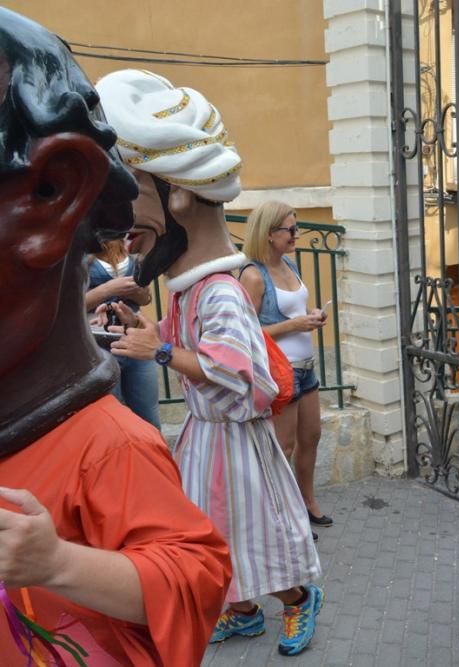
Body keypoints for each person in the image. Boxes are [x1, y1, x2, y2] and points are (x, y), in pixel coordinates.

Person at [0, 10, 231, 665]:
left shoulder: (107, 446)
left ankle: (292, 599)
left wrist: (55, 561)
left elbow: (196, 572)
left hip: (221, 439)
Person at [96, 69, 323, 656]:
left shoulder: (220, 292)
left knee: (255, 537)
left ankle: (298, 600)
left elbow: (243, 379)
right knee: (213, 539)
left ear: (180, 194)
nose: (125, 223)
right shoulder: (191, 290)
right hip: (207, 442)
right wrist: (151, 329)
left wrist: (162, 350)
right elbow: (185, 340)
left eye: (133, 191)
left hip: (234, 445)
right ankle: (241, 611)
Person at [240, 201, 332, 533]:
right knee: (285, 447)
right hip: (281, 371)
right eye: (289, 230)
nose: (296, 235)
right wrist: (294, 326)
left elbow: (296, 310)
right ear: (267, 234)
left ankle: (307, 502)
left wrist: (312, 317)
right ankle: (284, 518)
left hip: (306, 367)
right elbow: (245, 333)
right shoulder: (252, 275)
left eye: (296, 227)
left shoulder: (289, 263)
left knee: (312, 436)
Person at [85, 238, 160, 428]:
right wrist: (107, 290)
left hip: (135, 340)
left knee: (148, 414)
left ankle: (154, 456)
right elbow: (67, 305)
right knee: (114, 418)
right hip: (98, 347)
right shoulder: (79, 252)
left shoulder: (132, 251)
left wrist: (136, 293)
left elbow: (146, 299)